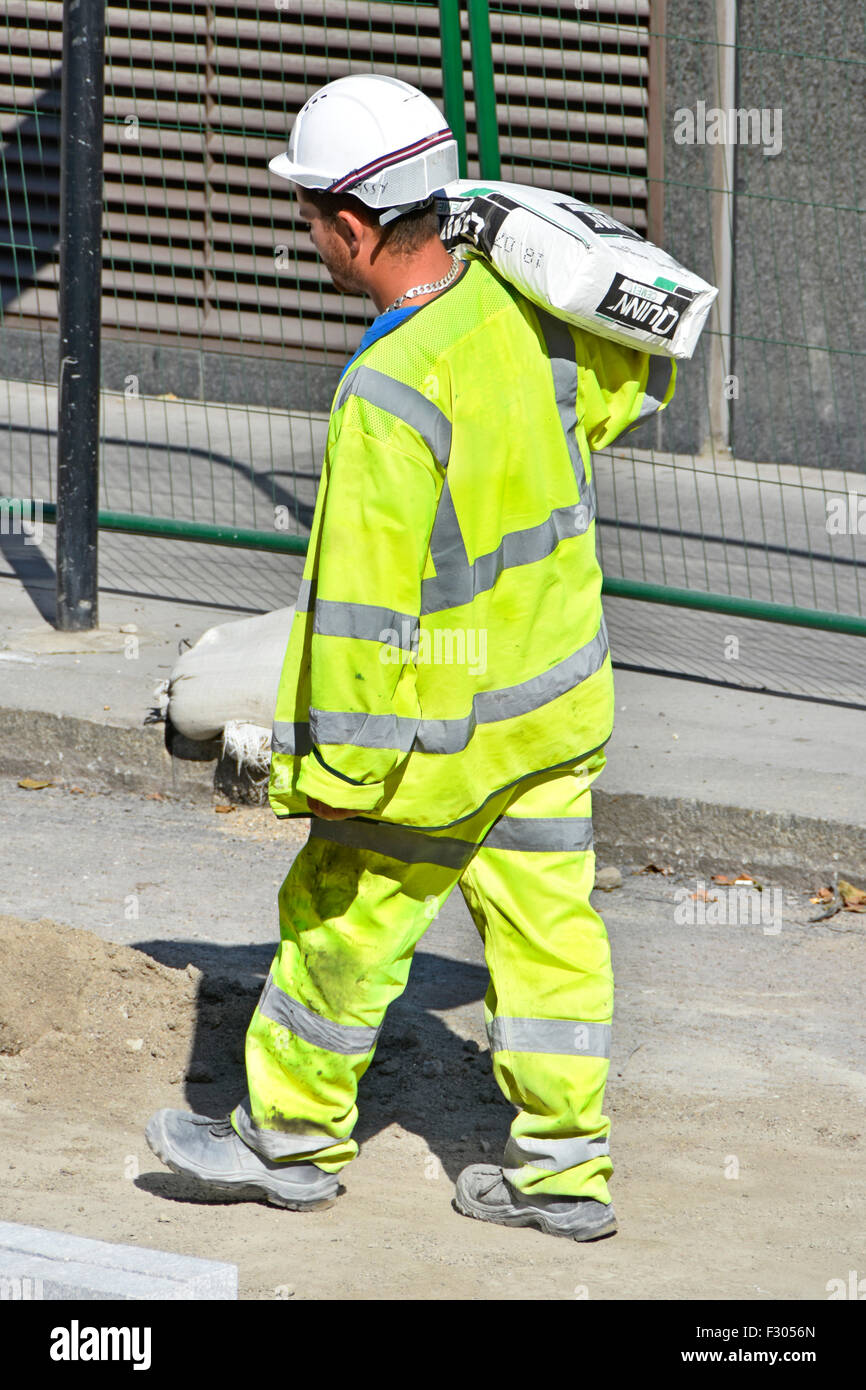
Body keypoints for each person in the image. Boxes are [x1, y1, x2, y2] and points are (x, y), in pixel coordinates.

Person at [146, 73, 676, 1240]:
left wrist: (319, 776)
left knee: (339, 919)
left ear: (348, 226)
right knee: (549, 943)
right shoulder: (525, 315)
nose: (310, 239)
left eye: (308, 219)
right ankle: (561, 1174)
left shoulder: (384, 390)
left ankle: (285, 1144)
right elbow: (632, 384)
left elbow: (359, 615)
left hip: (438, 741)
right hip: (552, 710)